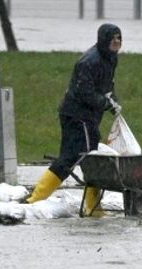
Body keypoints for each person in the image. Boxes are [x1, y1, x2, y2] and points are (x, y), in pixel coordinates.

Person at [26, 23, 123, 217]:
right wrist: (106, 103)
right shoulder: (89, 62)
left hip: (88, 117)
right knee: (86, 157)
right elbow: (83, 92)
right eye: (112, 38)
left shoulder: (110, 59)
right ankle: (37, 199)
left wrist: (112, 100)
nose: (116, 42)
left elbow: (106, 85)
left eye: (119, 38)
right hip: (77, 116)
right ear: (103, 40)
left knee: (80, 157)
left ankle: (90, 206)